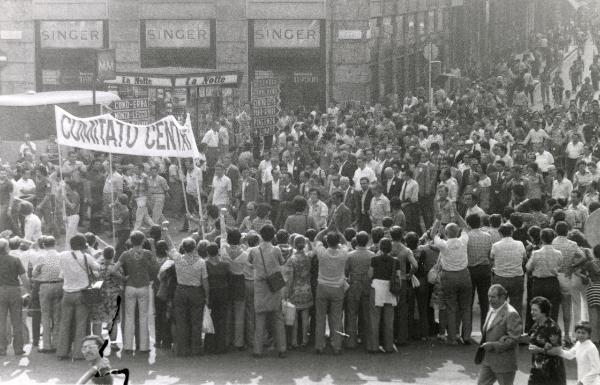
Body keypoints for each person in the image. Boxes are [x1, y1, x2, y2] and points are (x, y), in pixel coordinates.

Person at [111, 230, 158, 355]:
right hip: (143, 286)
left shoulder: (126, 254)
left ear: (131, 241)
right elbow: (155, 264)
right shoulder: (147, 253)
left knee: (129, 317)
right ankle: (143, 346)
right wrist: (152, 246)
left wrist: (123, 278)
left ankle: (127, 346)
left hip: (130, 286)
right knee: (143, 317)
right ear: (143, 241)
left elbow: (113, 270)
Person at [162, 232, 209, 357]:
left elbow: (171, 245)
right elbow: (205, 281)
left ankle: (182, 349)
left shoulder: (178, 258)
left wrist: (165, 231)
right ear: (195, 248)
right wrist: (207, 295)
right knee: (196, 321)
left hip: (181, 290)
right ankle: (196, 349)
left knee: (181, 321)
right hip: (196, 292)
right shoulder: (201, 262)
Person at [57, 233, 100, 360]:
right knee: (81, 324)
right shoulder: (86, 257)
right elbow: (97, 268)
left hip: (67, 292)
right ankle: (78, 353)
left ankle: (62, 352)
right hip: (82, 293)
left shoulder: (63, 255)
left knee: (65, 323)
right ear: (83, 245)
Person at [432, 215, 473, 345]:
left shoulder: (443, 244)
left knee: (451, 306)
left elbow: (433, 234)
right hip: (464, 274)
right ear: (457, 232)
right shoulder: (463, 241)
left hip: (449, 276)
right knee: (466, 307)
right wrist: (456, 214)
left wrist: (438, 220)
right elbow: (466, 227)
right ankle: (466, 336)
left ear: (447, 233)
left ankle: (452, 338)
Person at [248, 224, 287, 358]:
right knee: (278, 317)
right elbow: (282, 262)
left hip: (260, 286)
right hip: (274, 285)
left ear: (260, 235)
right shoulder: (276, 250)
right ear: (273, 236)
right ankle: (282, 348)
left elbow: (250, 262)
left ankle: (257, 350)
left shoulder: (253, 251)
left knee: (260, 318)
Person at [476, 284, 522, 385]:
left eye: (493, 297)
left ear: (502, 297)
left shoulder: (511, 314)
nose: (490, 299)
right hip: (488, 361)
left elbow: (514, 340)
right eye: (489, 296)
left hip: (504, 363)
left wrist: (493, 345)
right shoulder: (492, 309)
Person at [313, 229, 349, 355]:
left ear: (326, 242)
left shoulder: (322, 252)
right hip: (337, 288)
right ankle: (337, 346)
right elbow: (346, 242)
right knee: (337, 318)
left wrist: (326, 229)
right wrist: (339, 231)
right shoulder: (343, 253)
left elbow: (316, 239)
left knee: (320, 317)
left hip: (322, 286)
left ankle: (319, 345)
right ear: (337, 242)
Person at [368, 238, 399, 353]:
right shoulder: (395, 261)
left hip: (377, 288)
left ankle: (374, 346)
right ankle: (389, 345)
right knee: (389, 319)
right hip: (390, 289)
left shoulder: (374, 259)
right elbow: (397, 277)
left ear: (380, 247)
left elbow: (370, 274)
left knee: (374, 318)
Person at [0, 238, 30, 356]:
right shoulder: (15, 260)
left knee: (1, 321)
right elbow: (24, 278)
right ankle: (18, 348)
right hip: (14, 291)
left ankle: (1, 348)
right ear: (7, 248)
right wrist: (29, 291)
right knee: (17, 320)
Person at [527, 296, 566, 385]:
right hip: (537, 371)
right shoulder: (536, 325)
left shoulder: (552, 327)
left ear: (543, 311)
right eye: (531, 310)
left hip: (551, 374)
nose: (531, 312)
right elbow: (529, 337)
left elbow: (558, 350)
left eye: (535, 310)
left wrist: (539, 350)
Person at [32, 235, 62, 353]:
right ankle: (56, 342)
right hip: (59, 284)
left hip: (45, 285)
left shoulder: (41, 257)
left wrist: (39, 274)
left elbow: (34, 273)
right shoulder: (60, 256)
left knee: (45, 315)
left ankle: (47, 345)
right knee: (57, 316)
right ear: (55, 244)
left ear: (44, 245)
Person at [344, 231, 374, 349]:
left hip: (354, 285)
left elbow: (345, 271)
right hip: (367, 285)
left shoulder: (350, 255)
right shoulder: (372, 255)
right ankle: (368, 341)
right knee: (367, 314)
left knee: (352, 313)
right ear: (367, 241)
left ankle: (351, 341)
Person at [490, 223, 526, 316]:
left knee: (499, 307)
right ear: (511, 232)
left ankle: (500, 328)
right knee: (517, 307)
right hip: (517, 278)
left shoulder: (496, 245)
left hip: (500, 278)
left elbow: (491, 257)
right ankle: (516, 328)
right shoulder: (520, 244)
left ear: (500, 234)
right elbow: (524, 257)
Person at [284, 235, 313, 348]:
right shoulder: (308, 257)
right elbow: (312, 251)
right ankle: (305, 340)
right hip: (307, 288)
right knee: (305, 316)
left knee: (294, 317)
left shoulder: (291, 260)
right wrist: (308, 241)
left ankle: (294, 341)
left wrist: (288, 291)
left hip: (295, 290)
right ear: (304, 245)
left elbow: (290, 278)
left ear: (294, 245)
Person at [204, 241, 231, 354]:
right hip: (223, 294)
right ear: (218, 251)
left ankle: (209, 345)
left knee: (210, 320)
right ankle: (221, 345)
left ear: (207, 253)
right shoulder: (225, 265)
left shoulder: (205, 264)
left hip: (211, 295)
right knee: (222, 320)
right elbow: (229, 279)